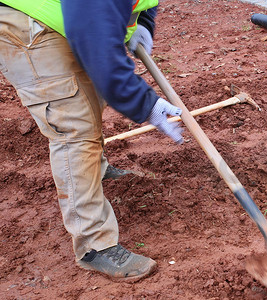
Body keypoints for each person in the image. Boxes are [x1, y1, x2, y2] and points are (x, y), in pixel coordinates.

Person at [0, 0, 183, 281]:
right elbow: (100, 52)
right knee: (73, 124)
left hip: (67, 16)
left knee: (87, 97)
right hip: (28, 20)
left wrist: (142, 21)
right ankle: (94, 246)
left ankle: (93, 172)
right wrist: (147, 106)